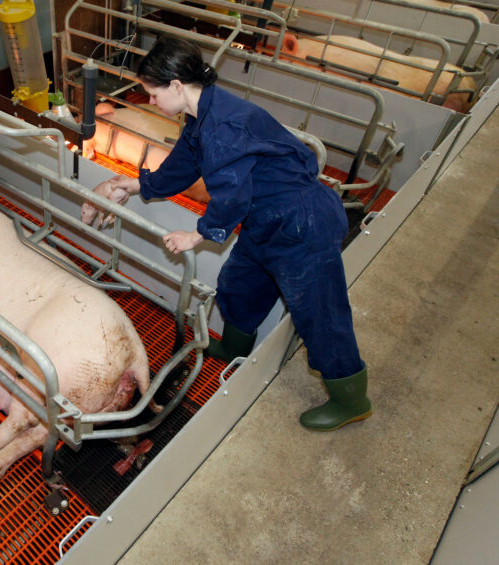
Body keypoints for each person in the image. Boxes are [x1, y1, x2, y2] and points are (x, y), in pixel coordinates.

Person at [91, 37, 371, 431]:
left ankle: (350, 398)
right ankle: (236, 346)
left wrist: (198, 234)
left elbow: (231, 192)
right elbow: (184, 165)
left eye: (152, 94)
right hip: (265, 219)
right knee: (237, 285)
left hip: (300, 223)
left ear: (174, 86)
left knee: (320, 314)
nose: (149, 102)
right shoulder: (201, 116)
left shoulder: (222, 126)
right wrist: (136, 184)